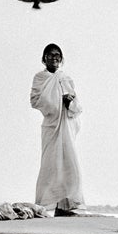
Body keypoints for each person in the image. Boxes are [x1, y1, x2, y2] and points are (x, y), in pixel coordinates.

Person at [30, 43, 86, 217]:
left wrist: (69, 102)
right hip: (51, 127)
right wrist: (58, 100)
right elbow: (36, 101)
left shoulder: (66, 78)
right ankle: (46, 203)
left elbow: (77, 107)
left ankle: (67, 204)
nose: (54, 58)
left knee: (70, 164)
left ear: (61, 59)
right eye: (50, 55)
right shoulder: (40, 78)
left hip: (67, 128)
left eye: (57, 55)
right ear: (44, 58)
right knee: (50, 165)